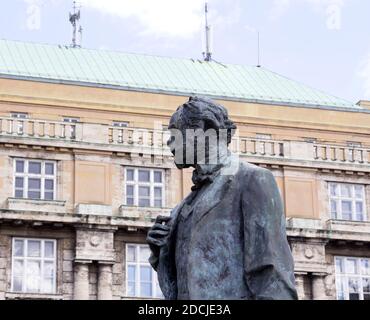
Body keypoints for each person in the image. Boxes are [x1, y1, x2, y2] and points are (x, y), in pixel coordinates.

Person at [147, 96, 298, 300]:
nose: (169, 142)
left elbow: (273, 272)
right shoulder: (182, 207)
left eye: (175, 133)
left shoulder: (252, 179)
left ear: (206, 128)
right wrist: (162, 253)